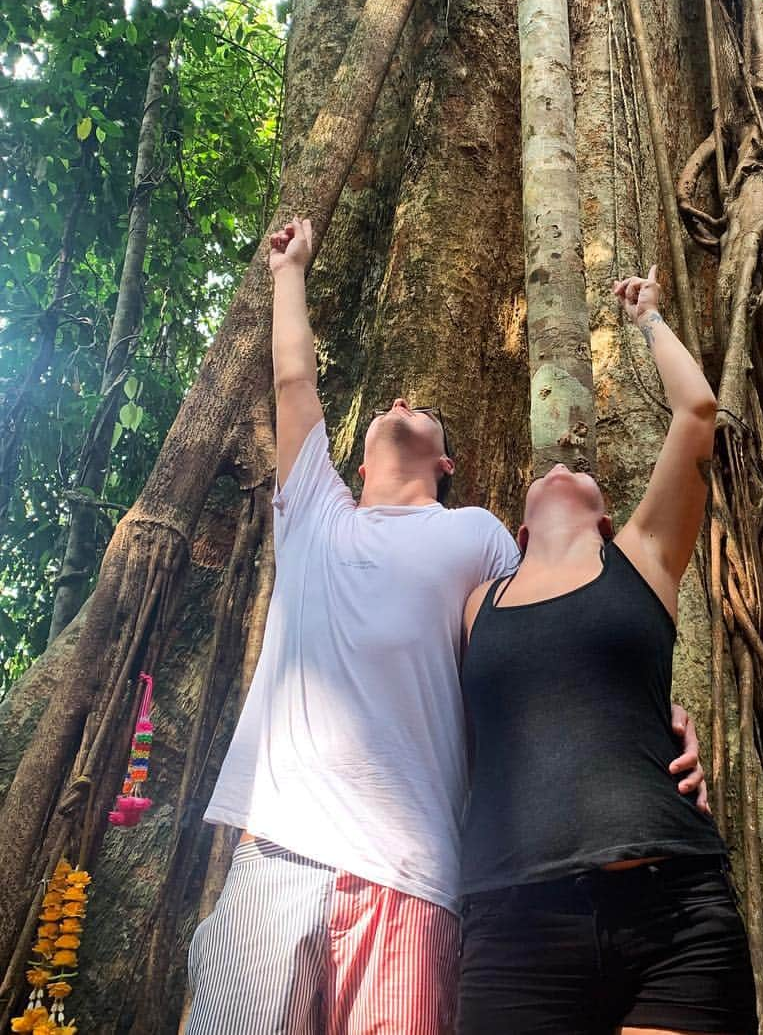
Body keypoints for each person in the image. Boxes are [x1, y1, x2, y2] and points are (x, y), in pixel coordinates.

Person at [184, 220, 707, 1035]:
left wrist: (652, 720)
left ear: (447, 462)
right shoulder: (312, 512)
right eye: (388, 405)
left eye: (418, 408)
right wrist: (290, 271)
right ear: (352, 460)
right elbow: (293, 380)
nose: (398, 403)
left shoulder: (477, 538)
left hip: (413, 877)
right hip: (277, 854)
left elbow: (549, 649)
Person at [457, 266, 757, 1035]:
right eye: (546, 473)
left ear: (607, 514)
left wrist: (649, 317)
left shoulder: (642, 560)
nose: (561, 465)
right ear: (517, 534)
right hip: (513, 929)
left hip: (672, 913)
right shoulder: (472, 604)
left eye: (580, 472)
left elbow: (697, 410)